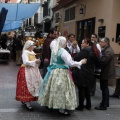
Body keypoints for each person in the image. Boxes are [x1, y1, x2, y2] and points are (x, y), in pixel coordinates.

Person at [38, 36, 87, 116]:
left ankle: (52, 104)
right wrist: (81, 62)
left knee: (53, 89)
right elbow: (70, 63)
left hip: (54, 72)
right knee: (63, 90)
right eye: (65, 42)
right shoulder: (63, 51)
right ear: (63, 43)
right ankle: (61, 109)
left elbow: (52, 62)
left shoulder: (54, 50)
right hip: (62, 73)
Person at [72, 38, 100, 111]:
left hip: (82, 72)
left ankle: (81, 106)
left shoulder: (85, 50)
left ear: (88, 44)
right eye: (81, 43)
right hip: (90, 72)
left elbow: (75, 58)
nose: (81, 44)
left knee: (81, 89)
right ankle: (88, 105)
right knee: (87, 89)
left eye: (83, 43)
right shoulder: (94, 50)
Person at [16, 40, 43, 111]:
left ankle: (27, 101)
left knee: (33, 85)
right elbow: (26, 62)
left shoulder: (32, 52)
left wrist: (37, 61)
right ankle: (27, 102)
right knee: (28, 85)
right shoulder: (25, 52)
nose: (33, 46)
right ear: (29, 46)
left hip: (33, 70)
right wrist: (35, 61)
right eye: (32, 45)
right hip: (26, 71)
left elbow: (33, 61)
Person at [95, 37, 116, 110]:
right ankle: (105, 103)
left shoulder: (108, 51)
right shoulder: (107, 49)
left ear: (106, 43)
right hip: (106, 72)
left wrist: (97, 60)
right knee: (104, 88)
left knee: (104, 88)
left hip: (106, 72)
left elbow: (103, 61)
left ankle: (104, 105)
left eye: (101, 42)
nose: (100, 43)